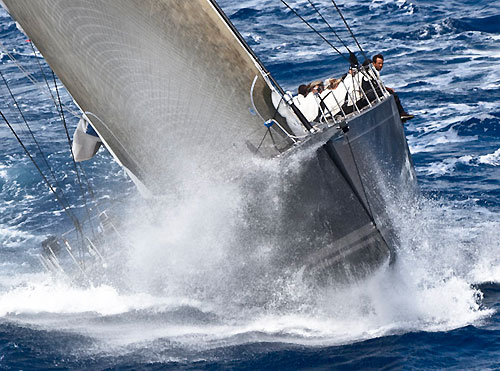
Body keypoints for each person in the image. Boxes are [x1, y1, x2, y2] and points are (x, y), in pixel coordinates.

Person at [371, 54, 414, 122]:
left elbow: (378, 84)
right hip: (372, 92)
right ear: (373, 63)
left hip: (376, 90)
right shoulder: (372, 72)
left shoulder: (375, 72)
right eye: (379, 63)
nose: (381, 65)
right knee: (394, 96)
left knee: (391, 93)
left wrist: (387, 88)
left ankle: (400, 113)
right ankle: (401, 113)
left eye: (382, 63)